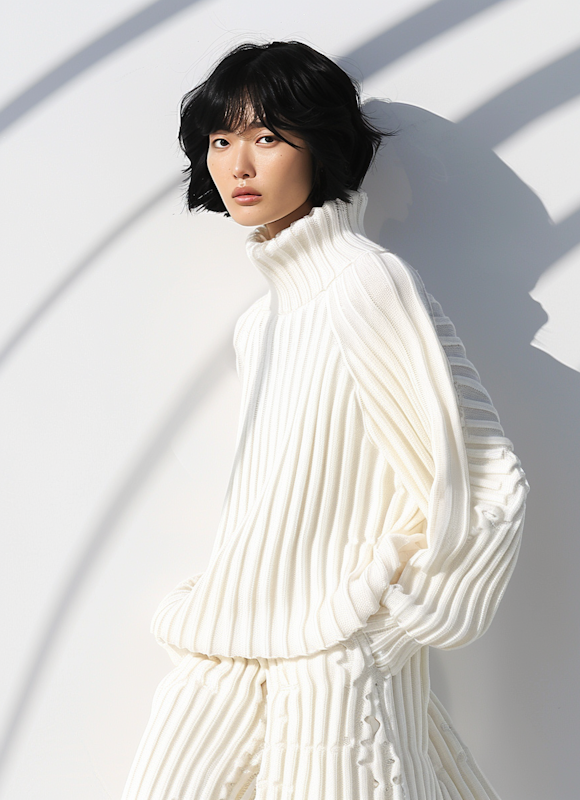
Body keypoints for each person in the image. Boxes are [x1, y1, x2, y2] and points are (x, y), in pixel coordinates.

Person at [121, 40, 529, 800]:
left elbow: (487, 480)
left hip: (332, 660)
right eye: (221, 141)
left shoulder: (364, 284)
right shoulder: (262, 322)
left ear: (320, 146)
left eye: (267, 137)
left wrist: (393, 629)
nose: (239, 165)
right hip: (231, 643)